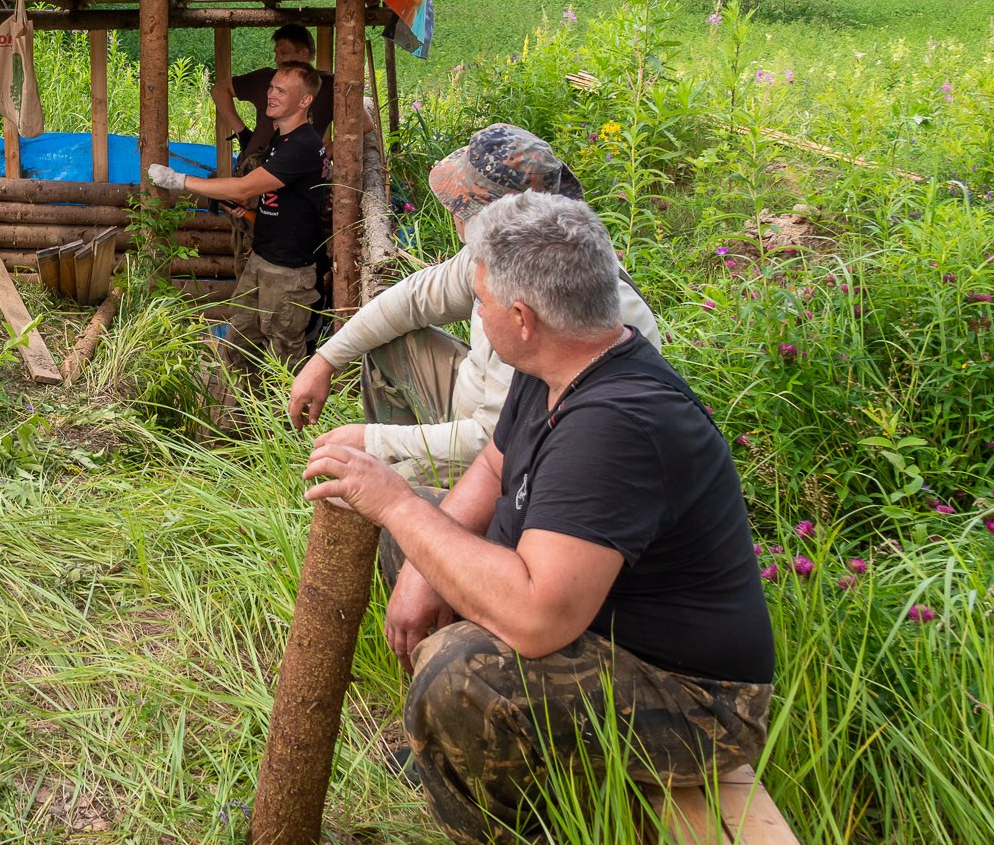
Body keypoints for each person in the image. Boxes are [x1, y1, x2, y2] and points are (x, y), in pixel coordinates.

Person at [301, 192, 773, 845]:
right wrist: (419, 552)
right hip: (607, 637)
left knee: (461, 667)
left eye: (482, 300)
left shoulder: (615, 424)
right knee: (424, 541)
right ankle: (463, 753)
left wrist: (395, 501)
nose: (475, 316)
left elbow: (535, 618)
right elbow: (491, 468)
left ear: (523, 317)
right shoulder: (559, 364)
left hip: (697, 701)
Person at [289, 124, 662, 507]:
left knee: (349, 492)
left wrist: (374, 442)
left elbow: (496, 437)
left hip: (516, 456)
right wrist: (325, 359)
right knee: (392, 346)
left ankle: (431, 505)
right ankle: (418, 470)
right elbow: (416, 297)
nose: (454, 215)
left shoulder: (552, 301)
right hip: (479, 410)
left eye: (460, 206)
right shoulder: (506, 253)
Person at [147, 62, 328, 374]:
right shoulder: (281, 138)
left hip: (288, 271)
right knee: (239, 341)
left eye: (281, 91)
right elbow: (267, 194)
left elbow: (246, 185)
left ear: (304, 101)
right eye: (272, 87)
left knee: (285, 357)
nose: (270, 95)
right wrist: (244, 208)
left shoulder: (302, 145)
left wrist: (179, 181)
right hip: (262, 257)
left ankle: (287, 421)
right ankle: (238, 415)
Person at [210, 25, 335, 173]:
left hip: (296, 168)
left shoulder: (329, 85)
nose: (277, 59)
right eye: (272, 87)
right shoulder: (264, 77)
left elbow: (364, 124)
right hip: (255, 165)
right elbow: (219, 90)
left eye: (283, 53)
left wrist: (328, 151)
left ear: (304, 53)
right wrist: (242, 132)